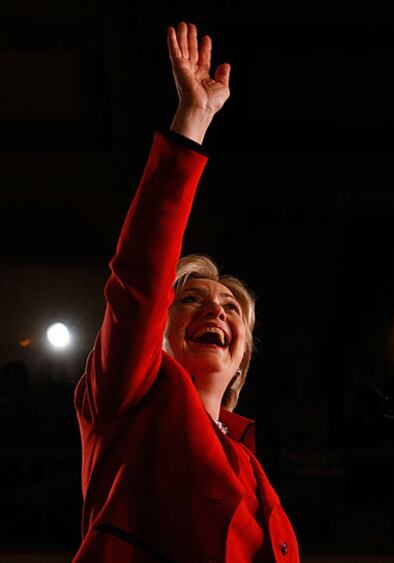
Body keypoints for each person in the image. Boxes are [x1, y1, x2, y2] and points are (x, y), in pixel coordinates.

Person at [72, 21, 300, 562]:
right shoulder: (129, 397)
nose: (216, 309)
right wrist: (191, 121)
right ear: (160, 331)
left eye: (230, 308)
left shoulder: (249, 464)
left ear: (242, 359)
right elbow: (139, 284)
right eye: (192, 299)